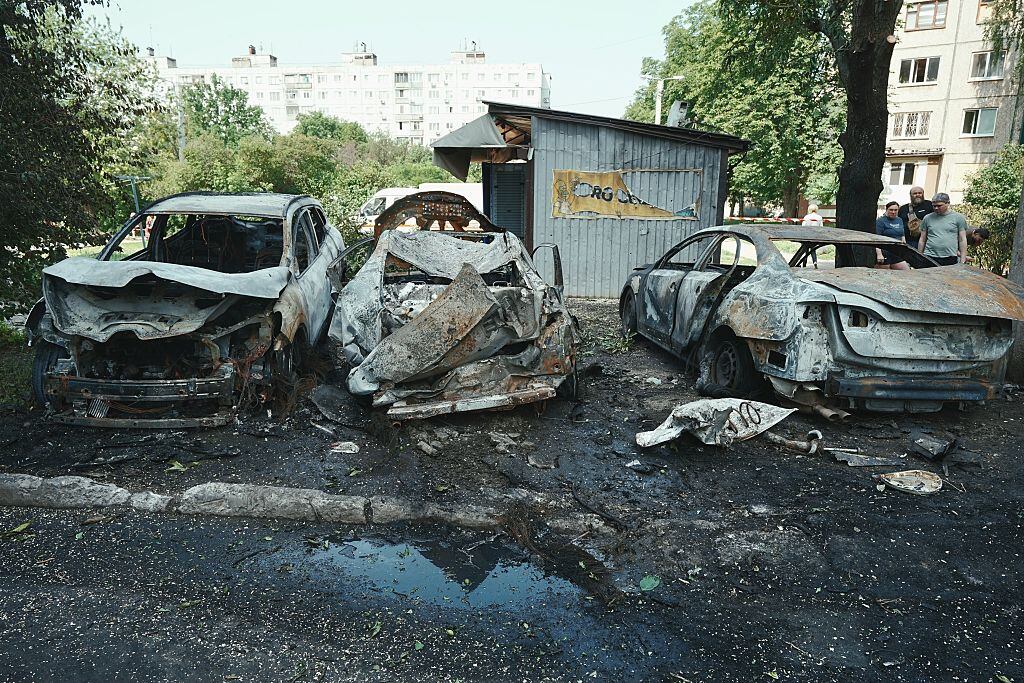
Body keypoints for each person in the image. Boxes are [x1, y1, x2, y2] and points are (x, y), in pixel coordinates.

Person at [919, 192, 968, 266]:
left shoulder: (958, 218)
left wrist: (963, 260)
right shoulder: (927, 218)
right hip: (929, 256)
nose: (936, 208)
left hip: (949, 257)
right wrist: (920, 256)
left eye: (939, 206)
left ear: (948, 203)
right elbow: (922, 239)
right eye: (934, 206)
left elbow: (962, 240)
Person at [874, 201, 909, 270]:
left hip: (897, 252)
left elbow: (902, 235)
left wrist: (904, 248)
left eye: (895, 210)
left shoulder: (899, 220)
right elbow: (876, 238)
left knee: (906, 271)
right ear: (886, 210)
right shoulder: (880, 221)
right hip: (885, 252)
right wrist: (879, 254)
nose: (893, 212)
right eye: (891, 210)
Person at [898, 187, 933, 251]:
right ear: (910, 195)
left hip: (926, 241)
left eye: (920, 193)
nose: (917, 195)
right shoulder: (903, 208)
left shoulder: (930, 205)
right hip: (909, 241)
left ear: (923, 194)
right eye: (915, 193)